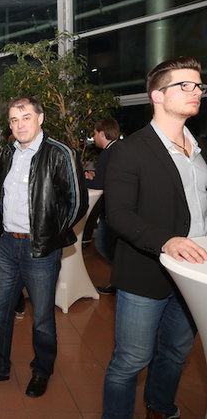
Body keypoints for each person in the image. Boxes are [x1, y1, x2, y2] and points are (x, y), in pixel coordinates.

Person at [101, 56, 207, 419]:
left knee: (175, 353)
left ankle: (160, 408)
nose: (196, 92)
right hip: (147, 272)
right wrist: (167, 241)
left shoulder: (199, 150)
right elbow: (118, 214)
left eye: (199, 85)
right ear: (157, 96)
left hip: (194, 274)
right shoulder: (131, 150)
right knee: (130, 361)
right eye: (185, 85)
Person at [0, 97, 88, 398]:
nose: (19, 125)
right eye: (13, 120)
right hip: (9, 245)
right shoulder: (8, 152)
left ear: (40, 118)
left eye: (25, 118)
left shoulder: (60, 153)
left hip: (41, 249)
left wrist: (51, 235)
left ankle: (42, 370)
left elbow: (77, 203)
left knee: (43, 317)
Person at [84, 117, 120, 294]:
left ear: (102, 133)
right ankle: (119, 281)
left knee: (103, 245)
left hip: (113, 210)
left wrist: (82, 181)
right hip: (121, 208)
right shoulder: (119, 149)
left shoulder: (107, 153)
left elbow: (100, 185)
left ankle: (121, 280)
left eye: (95, 133)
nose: (94, 137)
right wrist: (96, 177)